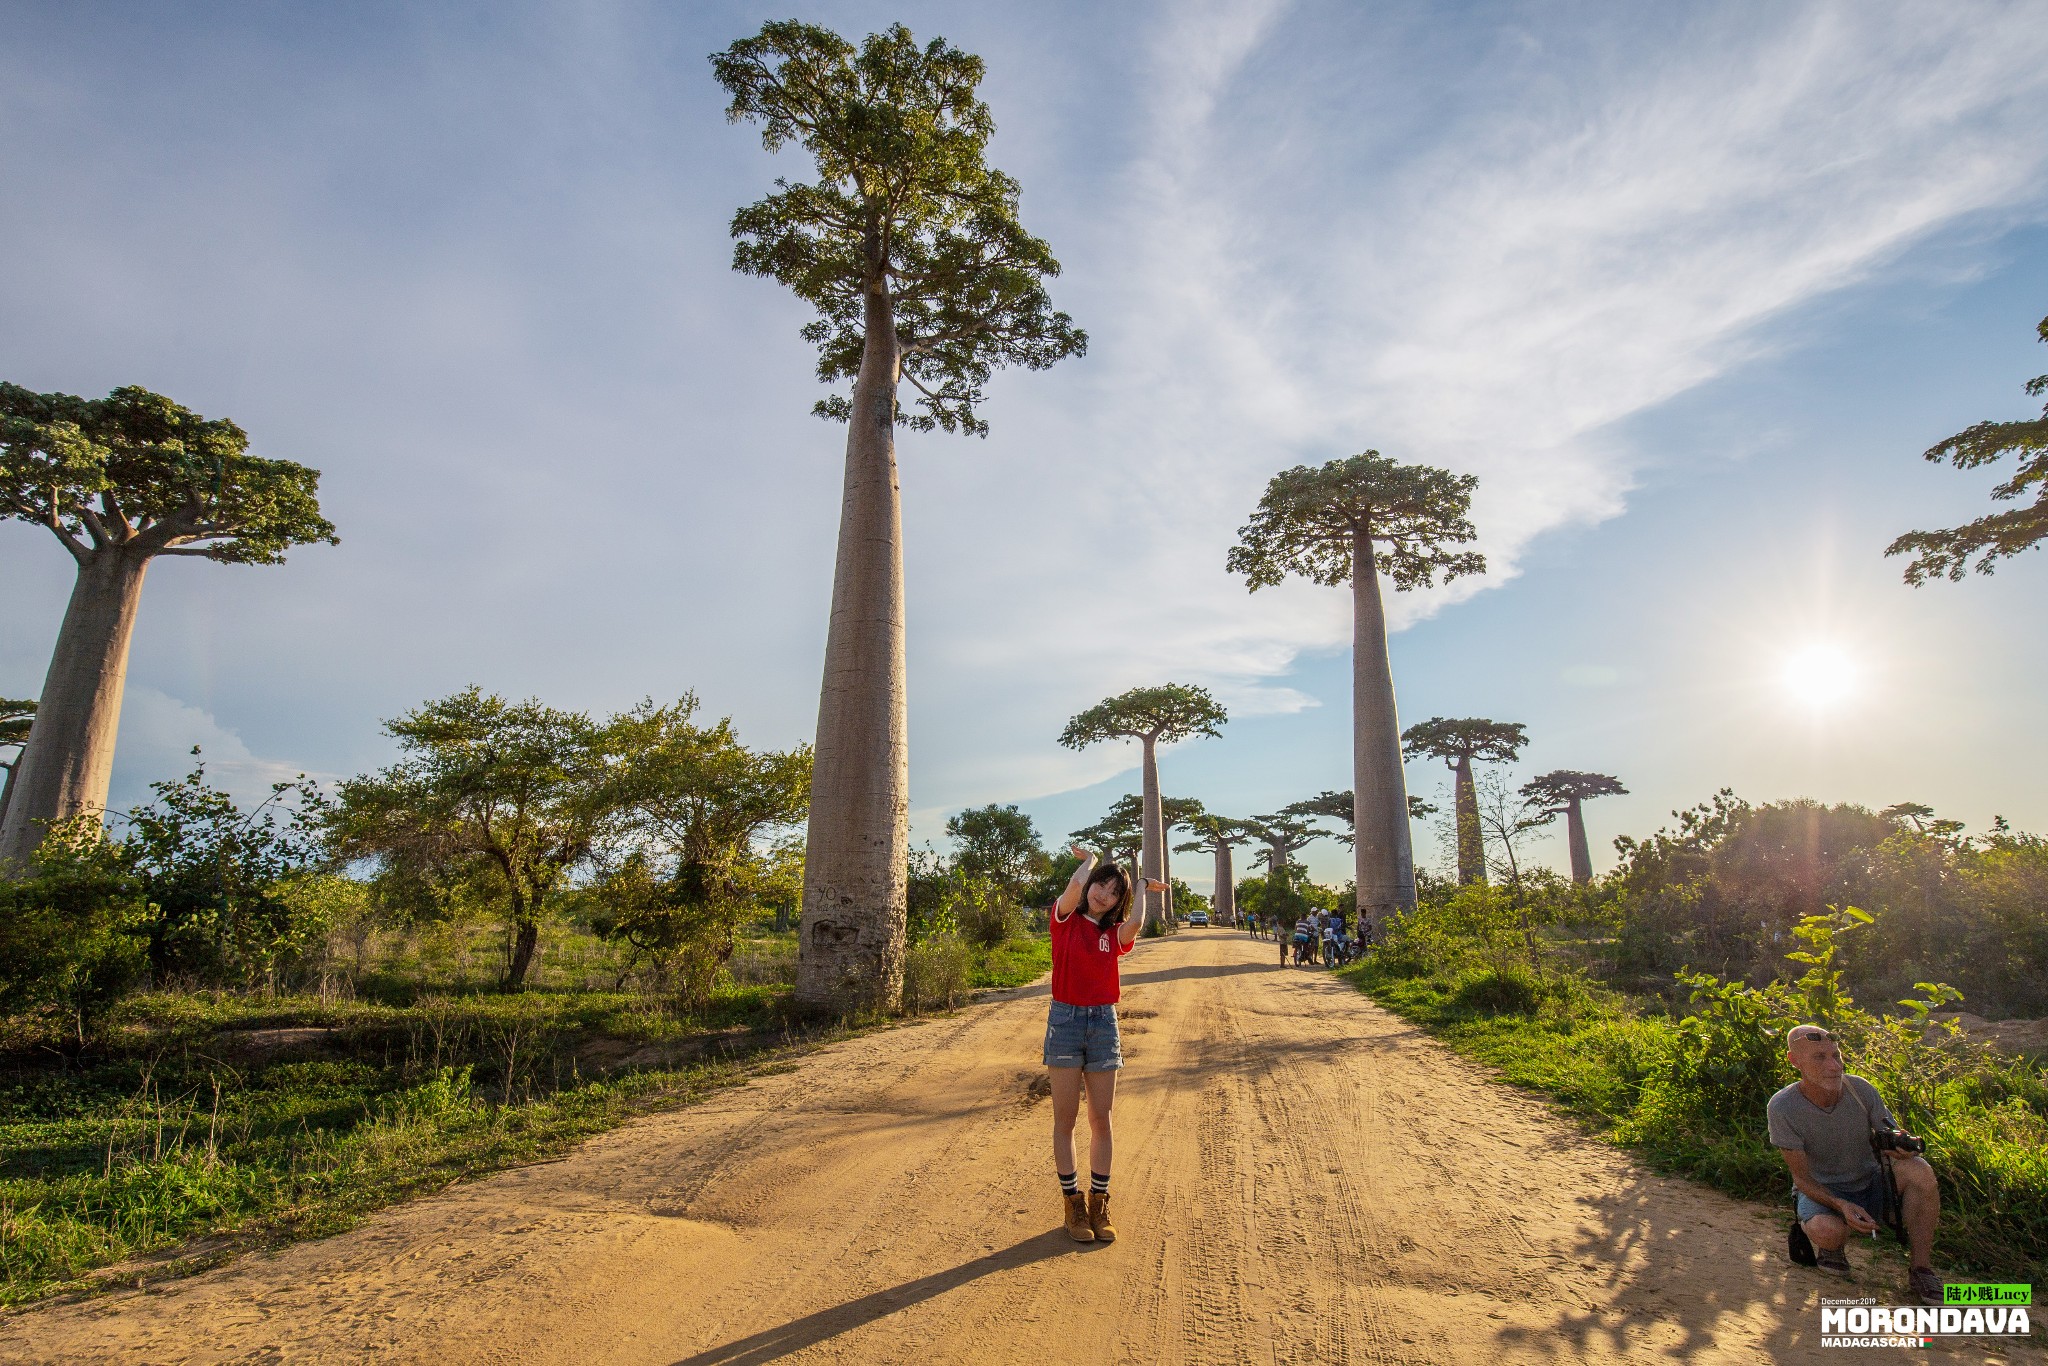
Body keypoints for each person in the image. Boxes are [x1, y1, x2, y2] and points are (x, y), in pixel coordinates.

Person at [1768, 1024, 1945, 1303]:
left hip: (1870, 1181)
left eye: (1836, 1055)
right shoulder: (1782, 1107)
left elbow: (1889, 1134)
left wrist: (1900, 1148)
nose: (1833, 1065)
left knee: (1919, 1170)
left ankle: (1921, 1269)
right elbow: (1801, 1179)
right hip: (1822, 1190)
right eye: (1819, 1057)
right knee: (1828, 1231)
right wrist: (1841, 1205)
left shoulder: (1861, 1089)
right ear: (1795, 1061)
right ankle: (1830, 1245)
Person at [1046, 844, 1166, 1245]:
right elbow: (1073, 890)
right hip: (1064, 1021)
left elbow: (1134, 926)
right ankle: (1072, 1205)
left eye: (1114, 892)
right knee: (1065, 1120)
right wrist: (1091, 862)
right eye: (1102, 885)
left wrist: (1143, 888)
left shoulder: (1111, 935)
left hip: (1103, 1023)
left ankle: (1099, 1203)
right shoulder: (1063, 919)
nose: (1103, 894)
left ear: (1117, 901)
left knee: (1102, 1118)